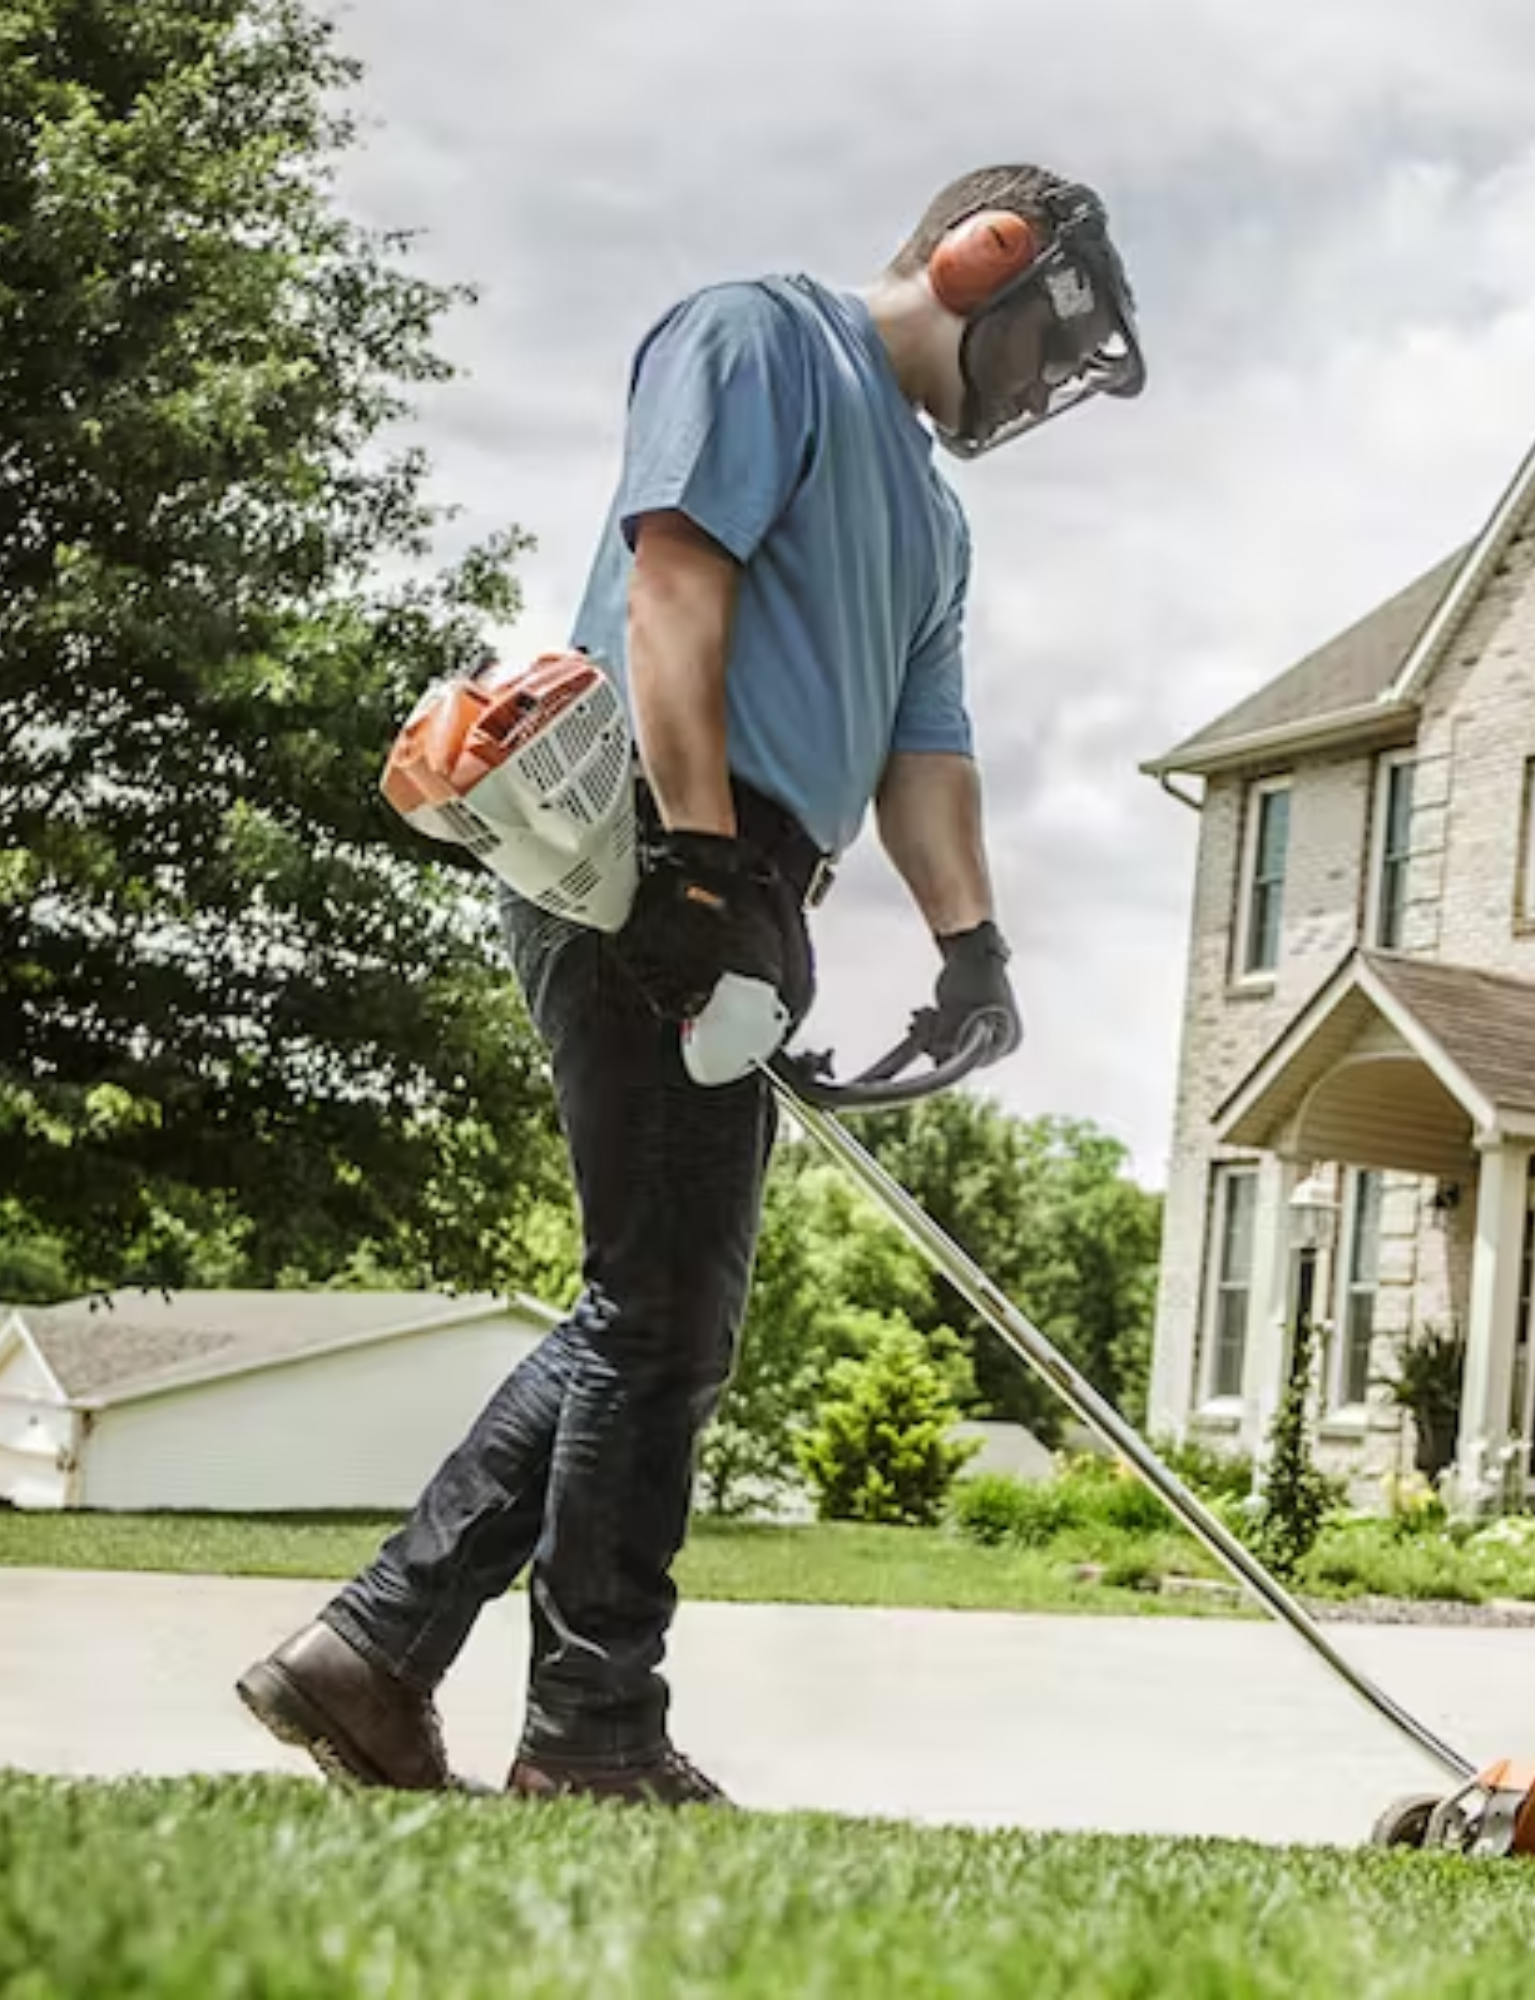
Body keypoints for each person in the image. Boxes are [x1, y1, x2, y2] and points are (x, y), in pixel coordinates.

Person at [235, 164, 1146, 1806]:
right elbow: (673, 584)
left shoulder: (933, 517)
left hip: (747, 885)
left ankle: (373, 1654)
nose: (1047, 383)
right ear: (981, 256)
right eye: (1051, 335)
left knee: (653, 1305)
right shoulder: (760, 338)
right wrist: (702, 870)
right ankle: (590, 1736)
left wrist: (972, 944)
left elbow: (923, 750)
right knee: (660, 1313)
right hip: (648, 850)